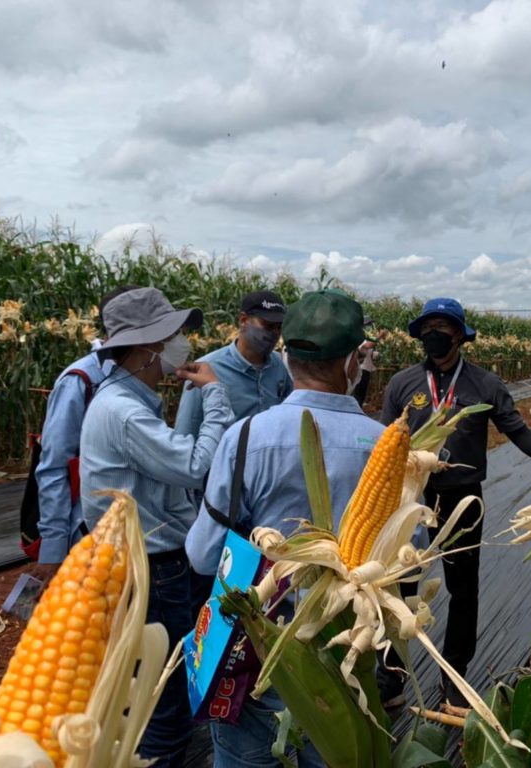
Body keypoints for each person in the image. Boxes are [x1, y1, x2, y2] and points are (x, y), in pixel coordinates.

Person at [186, 289, 381, 768]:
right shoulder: (384, 446)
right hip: (348, 659)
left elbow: (204, 554)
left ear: (285, 353)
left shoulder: (246, 436)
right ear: (357, 359)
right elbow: (407, 555)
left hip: (258, 655)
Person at [79, 286, 234, 767]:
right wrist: (215, 396)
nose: (183, 343)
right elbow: (192, 465)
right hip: (153, 567)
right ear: (148, 348)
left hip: (145, 560)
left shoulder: (127, 398)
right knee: (165, 700)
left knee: (154, 688)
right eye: (174, 335)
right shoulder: (124, 412)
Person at [379, 297, 531, 707]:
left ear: (459, 334)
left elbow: (517, 432)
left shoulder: (485, 385)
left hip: (462, 498)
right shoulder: (402, 384)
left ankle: (454, 675)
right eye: (427, 327)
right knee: (397, 588)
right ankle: (391, 678)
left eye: (442, 327)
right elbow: (383, 441)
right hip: (410, 498)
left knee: (463, 590)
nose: (433, 334)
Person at [29, 285, 135, 583]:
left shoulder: (136, 376)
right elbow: (53, 467)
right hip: (87, 534)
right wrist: (53, 549)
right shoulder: (81, 380)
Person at [174, 289, 292, 502]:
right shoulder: (206, 369)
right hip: (220, 488)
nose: (273, 334)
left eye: (278, 327)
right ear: (243, 320)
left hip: (267, 484)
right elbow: (186, 436)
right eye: (267, 325)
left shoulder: (279, 367)